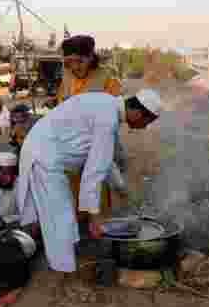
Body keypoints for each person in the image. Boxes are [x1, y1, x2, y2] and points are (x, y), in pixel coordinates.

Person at [16, 90, 161, 279]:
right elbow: (94, 172)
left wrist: (121, 188)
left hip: (44, 152)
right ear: (139, 113)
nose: (144, 127)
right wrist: (95, 217)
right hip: (43, 157)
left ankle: (65, 260)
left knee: (60, 214)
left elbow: (107, 159)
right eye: (147, 123)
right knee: (60, 217)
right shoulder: (107, 120)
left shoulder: (108, 107)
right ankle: (63, 272)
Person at [54, 35, 123, 105]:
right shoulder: (67, 75)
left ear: (91, 57)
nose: (75, 67)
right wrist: (53, 102)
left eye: (80, 61)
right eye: (69, 61)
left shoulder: (108, 78)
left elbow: (116, 107)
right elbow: (61, 99)